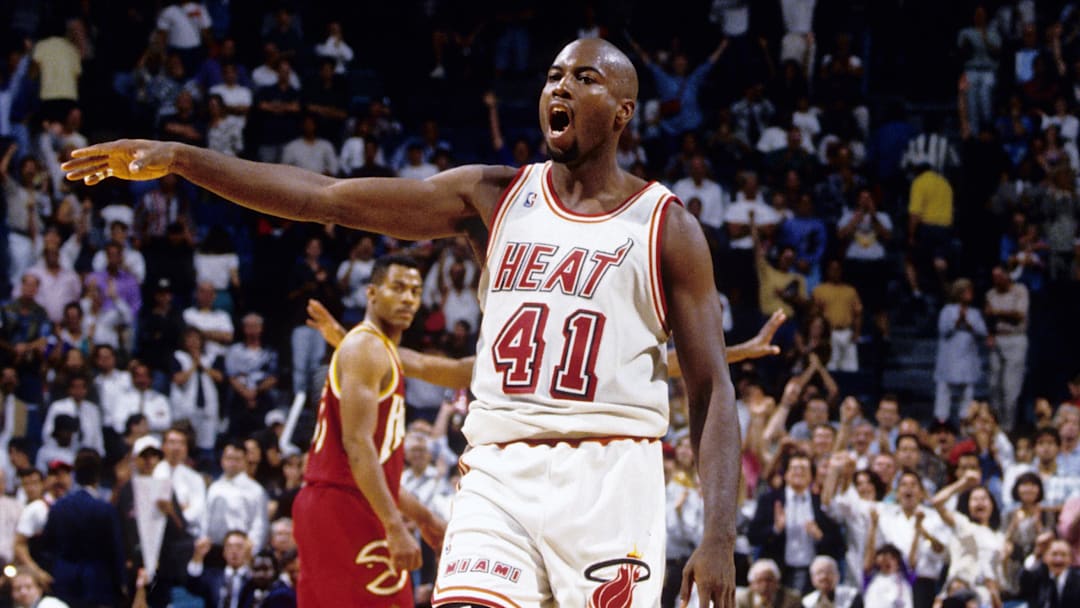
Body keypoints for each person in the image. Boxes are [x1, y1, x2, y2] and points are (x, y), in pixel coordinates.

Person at [65, 37, 742, 607]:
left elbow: (712, 393)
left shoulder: (666, 227)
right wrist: (186, 159)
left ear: (622, 112)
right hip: (497, 472)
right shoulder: (494, 196)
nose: (559, 87)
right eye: (553, 75)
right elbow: (325, 196)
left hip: (610, 477)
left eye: (583, 78)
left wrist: (717, 536)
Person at [287, 255, 443, 606]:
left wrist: (424, 517)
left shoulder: (374, 349)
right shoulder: (366, 347)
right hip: (343, 503)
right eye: (398, 288)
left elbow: (372, 472)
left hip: (335, 498)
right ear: (371, 293)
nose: (408, 299)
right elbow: (357, 447)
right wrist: (394, 525)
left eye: (415, 291)